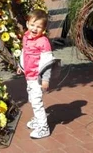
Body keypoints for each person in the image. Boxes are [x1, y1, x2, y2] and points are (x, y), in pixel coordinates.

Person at [19, 10, 57, 140]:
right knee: (32, 99)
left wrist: (45, 79)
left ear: (44, 28)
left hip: (37, 77)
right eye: (32, 25)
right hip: (29, 76)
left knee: (36, 102)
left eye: (39, 26)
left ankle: (43, 128)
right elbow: (24, 53)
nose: (34, 29)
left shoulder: (43, 42)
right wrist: (21, 66)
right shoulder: (26, 36)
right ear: (27, 23)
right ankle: (37, 119)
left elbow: (47, 62)